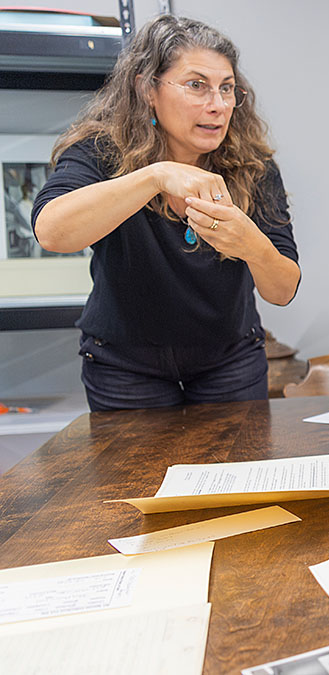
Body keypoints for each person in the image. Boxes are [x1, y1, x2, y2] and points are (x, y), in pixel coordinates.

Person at [33, 15, 300, 411]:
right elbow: (52, 232)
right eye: (197, 86)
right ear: (147, 89)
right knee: (139, 476)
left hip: (229, 360)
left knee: (238, 471)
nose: (218, 105)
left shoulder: (252, 165)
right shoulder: (100, 151)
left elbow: (282, 290)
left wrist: (252, 246)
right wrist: (155, 176)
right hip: (124, 365)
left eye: (227, 89)